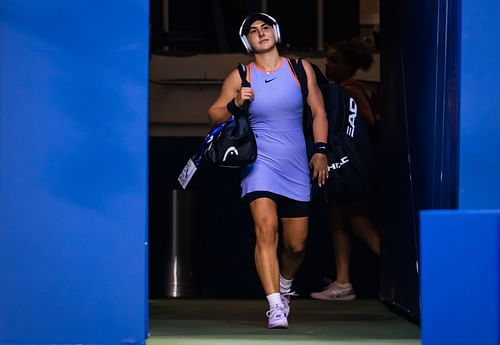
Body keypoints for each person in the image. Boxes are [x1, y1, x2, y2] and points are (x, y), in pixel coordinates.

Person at [208, 13, 328, 328]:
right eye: (253, 30)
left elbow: (318, 111)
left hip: (296, 165)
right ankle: (275, 305)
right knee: (265, 230)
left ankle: (285, 284)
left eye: (265, 28)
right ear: (246, 41)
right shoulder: (241, 74)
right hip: (258, 164)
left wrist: (320, 151)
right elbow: (214, 114)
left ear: (275, 32)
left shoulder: (300, 69)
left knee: (296, 245)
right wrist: (234, 103)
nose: (261, 33)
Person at [310, 39, 380, 301]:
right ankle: (342, 282)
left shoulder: (350, 89)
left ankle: (409, 274)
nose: (328, 64)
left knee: (361, 224)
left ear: (349, 66)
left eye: (334, 60)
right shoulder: (336, 90)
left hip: (352, 169)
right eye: (327, 59)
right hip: (341, 171)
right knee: (337, 219)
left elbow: (368, 119)